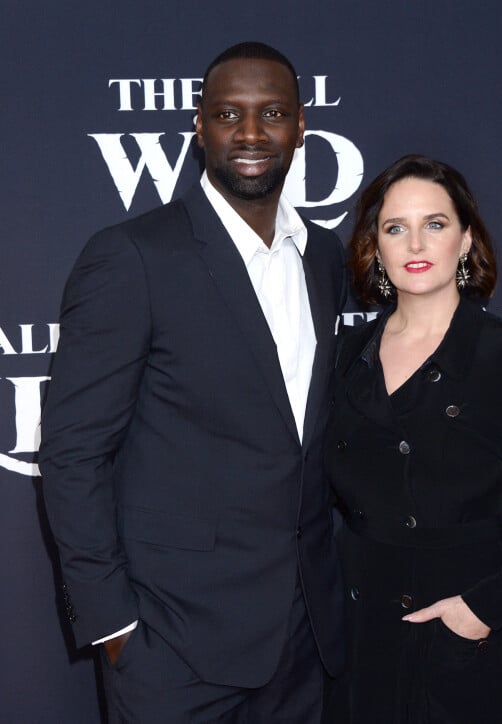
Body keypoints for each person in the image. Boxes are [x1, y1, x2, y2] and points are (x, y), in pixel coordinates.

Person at [39, 42, 346, 724]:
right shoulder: (136, 257)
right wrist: (114, 628)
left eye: (271, 113)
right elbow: (71, 453)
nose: (250, 133)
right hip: (173, 649)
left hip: (304, 644)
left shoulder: (324, 256)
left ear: (301, 128)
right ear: (199, 128)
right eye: (228, 113)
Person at [323, 154, 502, 723]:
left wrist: (482, 608)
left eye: (435, 224)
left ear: (465, 239)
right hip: (364, 646)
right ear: (376, 245)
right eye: (395, 228)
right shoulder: (343, 358)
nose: (415, 243)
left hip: (477, 647)